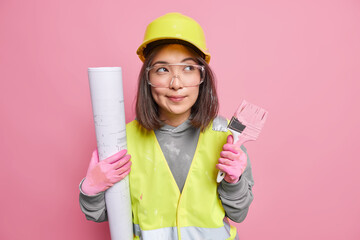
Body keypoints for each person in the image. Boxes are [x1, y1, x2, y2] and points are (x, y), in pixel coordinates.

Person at [79, 12, 254, 240]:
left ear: (203, 78)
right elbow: (103, 215)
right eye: (162, 69)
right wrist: (90, 189)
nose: (176, 84)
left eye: (188, 68)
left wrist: (234, 182)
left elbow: (238, 214)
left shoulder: (226, 136)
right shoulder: (123, 140)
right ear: (148, 79)